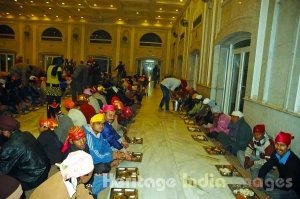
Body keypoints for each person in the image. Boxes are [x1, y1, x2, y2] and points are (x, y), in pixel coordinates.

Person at [0, 115, 50, 191]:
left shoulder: (8, 147)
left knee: (5, 178)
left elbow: (2, 170)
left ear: (6, 131)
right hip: (45, 170)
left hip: (34, 179)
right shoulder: (27, 133)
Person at [82, 113, 125, 196]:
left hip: (98, 159)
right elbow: (94, 157)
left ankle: (101, 177)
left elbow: (106, 146)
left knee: (106, 182)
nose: (101, 126)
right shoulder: (89, 136)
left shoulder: (99, 133)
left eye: (102, 124)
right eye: (98, 123)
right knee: (104, 168)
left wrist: (112, 155)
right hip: (88, 162)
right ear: (91, 124)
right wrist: (112, 156)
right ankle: (89, 190)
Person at [253, 132, 300, 199]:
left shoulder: (294, 162)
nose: (278, 148)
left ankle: (267, 190)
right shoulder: (276, 154)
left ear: (288, 146)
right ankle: (263, 188)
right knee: (256, 170)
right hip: (281, 180)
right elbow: (267, 166)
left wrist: (264, 185)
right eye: (276, 144)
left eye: (282, 145)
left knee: (275, 195)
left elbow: (287, 184)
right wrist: (260, 178)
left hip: (293, 189)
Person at [29, 150, 94, 199]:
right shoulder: (60, 195)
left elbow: (81, 190)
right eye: (91, 173)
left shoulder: (71, 174)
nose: (92, 175)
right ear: (83, 175)